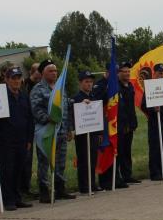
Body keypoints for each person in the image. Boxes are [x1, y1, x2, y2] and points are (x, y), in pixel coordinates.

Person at [30, 59, 76, 203]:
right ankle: (44, 191)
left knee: (61, 161)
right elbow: (35, 110)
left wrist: (69, 129)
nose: (54, 73)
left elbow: (66, 107)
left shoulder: (60, 88)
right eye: (51, 71)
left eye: (56, 71)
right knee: (45, 162)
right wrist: (48, 118)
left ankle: (60, 188)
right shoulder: (38, 89)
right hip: (46, 132)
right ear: (43, 72)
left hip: (61, 132)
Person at [0, 67, 34, 211]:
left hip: (22, 140)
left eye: (18, 78)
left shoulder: (24, 96)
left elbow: (30, 119)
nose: (16, 81)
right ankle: (8, 200)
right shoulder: (0, 97)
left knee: (19, 170)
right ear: (6, 80)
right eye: (13, 78)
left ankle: (17, 198)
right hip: (6, 140)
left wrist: (29, 139)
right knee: (7, 170)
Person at [141, 63, 163, 181]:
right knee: (155, 148)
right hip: (154, 123)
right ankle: (155, 172)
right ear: (154, 73)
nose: (162, 75)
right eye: (160, 73)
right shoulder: (149, 87)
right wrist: (153, 109)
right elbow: (143, 105)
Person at [70, 70, 103, 193]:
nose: (89, 84)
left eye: (90, 81)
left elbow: (97, 115)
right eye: (86, 82)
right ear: (80, 83)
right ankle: (84, 186)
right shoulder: (76, 98)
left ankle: (92, 183)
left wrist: (99, 132)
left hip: (93, 132)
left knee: (93, 159)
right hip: (82, 134)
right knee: (84, 160)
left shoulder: (94, 97)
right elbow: (72, 115)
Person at [20, 62, 42, 196]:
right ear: (32, 72)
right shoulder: (25, 85)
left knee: (37, 158)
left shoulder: (42, 85)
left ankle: (27, 187)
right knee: (26, 158)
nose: (39, 74)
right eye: (37, 72)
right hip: (27, 124)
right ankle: (23, 187)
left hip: (38, 125)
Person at [117, 61, 140, 184]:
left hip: (130, 124)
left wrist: (134, 123)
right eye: (124, 71)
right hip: (120, 125)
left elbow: (131, 107)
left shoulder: (130, 86)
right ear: (119, 73)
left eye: (128, 71)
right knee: (120, 151)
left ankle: (127, 174)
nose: (127, 73)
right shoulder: (116, 87)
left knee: (127, 150)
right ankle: (119, 177)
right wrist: (124, 124)